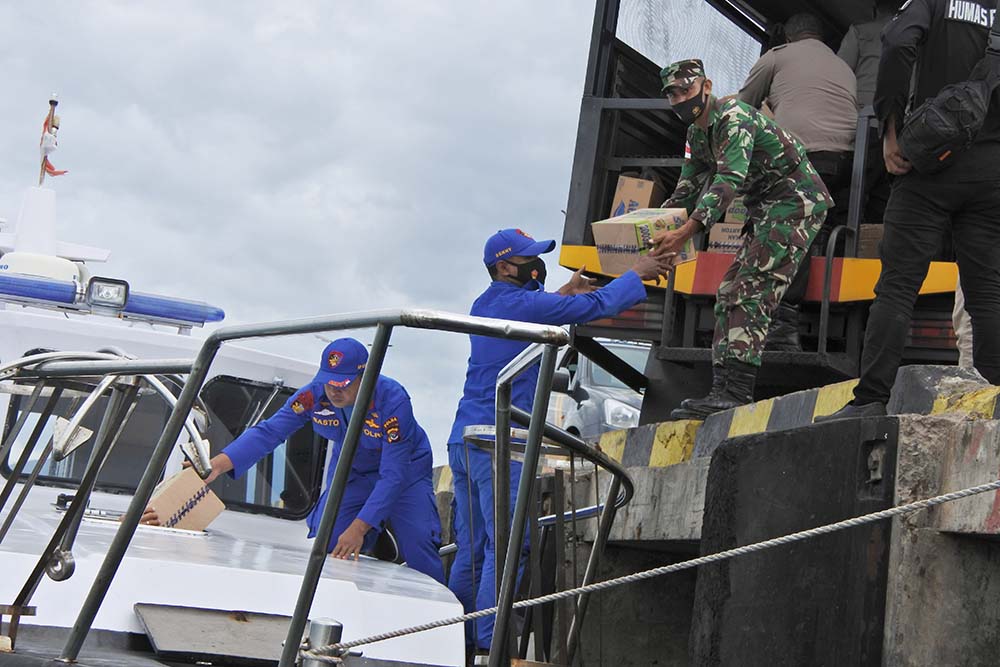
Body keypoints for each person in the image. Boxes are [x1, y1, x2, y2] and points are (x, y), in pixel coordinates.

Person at [447, 228, 673, 659]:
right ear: (503, 267)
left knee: (473, 547)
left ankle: (454, 637)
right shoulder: (520, 304)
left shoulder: (488, 303)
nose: (536, 264)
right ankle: (490, 645)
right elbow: (594, 305)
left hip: (464, 437)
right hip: (497, 441)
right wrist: (638, 274)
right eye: (528, 259)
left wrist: (564, 292)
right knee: (511, 542)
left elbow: (543, 309)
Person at [817, 0, 1000, 421]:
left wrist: (892, 125)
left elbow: (898, 43)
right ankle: (994, 401)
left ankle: (870, 401)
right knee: (986, 293)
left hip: (930, 162)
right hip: (991, 172)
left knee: (898, 285)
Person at [143, 337, 445, 583]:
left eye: (343, 385)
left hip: (404, 474)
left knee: (419, 546)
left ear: (364, 377)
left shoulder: (393, 402)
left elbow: (392, 476)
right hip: (354, 473)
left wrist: (361, 528)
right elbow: (271, 431)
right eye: (329, 382)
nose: (334, 391)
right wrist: (219, 464)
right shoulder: (314, 395)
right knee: (330, 542)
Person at [652, 59, 832, 419]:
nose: (680, 100)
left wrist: (687, 232)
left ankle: (735, 393)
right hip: (766, 207)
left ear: (706, 86)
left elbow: (728, 182)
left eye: (686, 91)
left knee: (749, 290)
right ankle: (722, 389)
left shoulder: (733, 117)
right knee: (728, 292)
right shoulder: (697, 134)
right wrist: (656, 230)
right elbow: (686, 190)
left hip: (794, 203)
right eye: (673, 95)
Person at [738, 12, 858, 350]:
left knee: (778, 226)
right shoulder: (842, 67)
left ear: (788, 38)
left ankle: (783, 322)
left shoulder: (776, 57)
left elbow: (739, 109)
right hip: (846, 164)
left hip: (804, 160)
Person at [838, 0, 900, 110]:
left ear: (875, 11)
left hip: (861, 104)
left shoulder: (859, 30)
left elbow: (840, 71)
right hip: (895, 107)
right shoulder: (911, 37)